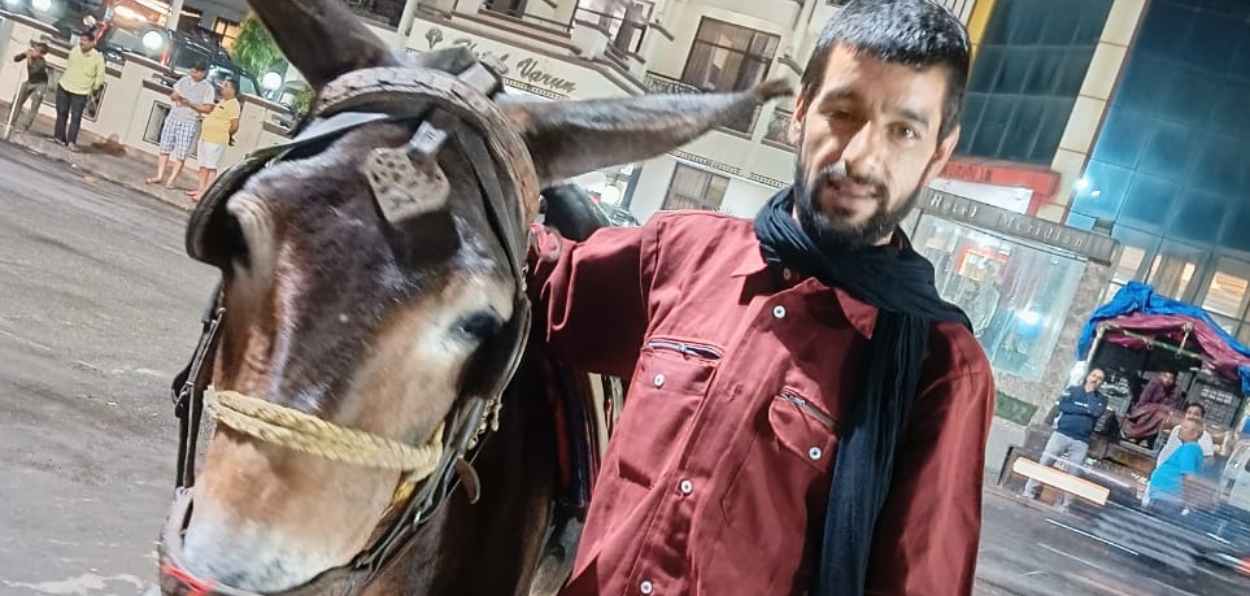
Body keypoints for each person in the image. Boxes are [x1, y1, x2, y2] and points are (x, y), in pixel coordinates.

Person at [531, 2, 993, 595]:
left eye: (903, 130)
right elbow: (536, 285)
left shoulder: (941, 370)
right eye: (843, 112)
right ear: (800, 113)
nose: (860, 156)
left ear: (937, 155)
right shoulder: (685, 254)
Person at [1022, 368, 1107, 510]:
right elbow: (1063, 406)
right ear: (1087, 376)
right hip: (1061, 434)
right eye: (1093, 375)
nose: (1095, 379)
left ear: (1101, 383)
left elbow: (1096, 411)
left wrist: (1090, 394)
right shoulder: (1073, 390)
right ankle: (1029, 491)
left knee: (1074, 473)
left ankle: (1065, 504)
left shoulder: (1101, 399)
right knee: (1045, 463)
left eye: (1099, 378)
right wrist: (1085, 409)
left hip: (1081, 441)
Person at [146, 63, 215, 189]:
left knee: (181, 153)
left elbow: (208, 108)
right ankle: (160, 175)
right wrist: (175, 97)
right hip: (174, 116)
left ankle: (171, 180)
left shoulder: (208, 88)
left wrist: (191, 104)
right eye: (192, 71)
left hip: (189, 120)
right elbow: (173, 95)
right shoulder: (184, 80)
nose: (193, 74)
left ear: (203, 73)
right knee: (164, 147)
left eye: (196, 72)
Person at [187, 79, 241, 201]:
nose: (222, 87)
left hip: (217, 140)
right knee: (202, 165)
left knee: (211, 167)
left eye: (226, 85)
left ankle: (205, 193)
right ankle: (200, 189)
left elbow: (235, 126)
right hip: (206, 136)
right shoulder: (222, 101)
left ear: (233, 90)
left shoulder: (234, 104)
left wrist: (227, 134)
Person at [1145, 418, 1206, 521]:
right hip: (1165, 497)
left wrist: (1188, 500)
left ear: (1195, 434)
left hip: (1167, 499)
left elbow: (1189, 477)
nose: (1180, 429)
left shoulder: (1190, 448)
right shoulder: (1188, 448)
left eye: (1185, 428)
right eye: (1182, 426)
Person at [54, 34, 105, 151]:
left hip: (81, 91)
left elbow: (100, 76)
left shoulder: (98, 57)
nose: (82, 42)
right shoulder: (75, 50)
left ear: (93, 43)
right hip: (65, 85)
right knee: (61, 113)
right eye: (81, 40)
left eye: (85, 41)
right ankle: (59, 137)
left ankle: (71, 142)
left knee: (75, 117)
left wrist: (94, 88)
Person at [1123, 371, 1183, 444]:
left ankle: (1144, 438)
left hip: (1162, 414)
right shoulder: (1154, 384)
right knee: (1149, 415)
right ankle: (1134, 435)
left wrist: (1161, 408)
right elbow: (1143, 401)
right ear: (1161, 376)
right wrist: (1155, 407)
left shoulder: (1175, 391)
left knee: (1160, 416)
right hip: (1146, 409)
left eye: (1170, 378)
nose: (1167, 380)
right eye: (1165, 376)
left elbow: (1171, 408)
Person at [11, 41, 50, 134]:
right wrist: (23, 54)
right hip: (30, 81)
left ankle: (25, 126)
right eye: (34, 49)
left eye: (36, 50)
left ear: (41, 54)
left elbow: (33, 70)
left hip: (40, 84)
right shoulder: (30, 55)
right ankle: (12, 121)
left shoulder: (42, 63)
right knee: (18, 100)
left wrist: (28, 57)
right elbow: (15, 59)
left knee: (34, 105)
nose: (33, 51)